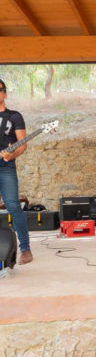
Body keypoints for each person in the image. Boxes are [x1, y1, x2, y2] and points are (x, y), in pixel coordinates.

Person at [0, 80, 32, 264]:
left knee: (13, 206)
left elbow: (23, 144)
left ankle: (25, 249)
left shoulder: (14, 116)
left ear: (4, 93)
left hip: (6, 167)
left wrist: (11, 156)